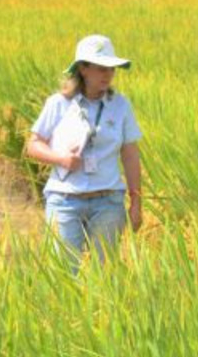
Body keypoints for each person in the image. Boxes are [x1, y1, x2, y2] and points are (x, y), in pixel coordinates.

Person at [25, 34, 143, 269]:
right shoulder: (58, 104)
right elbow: (33, 145)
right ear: (83, 69)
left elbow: (130, 155)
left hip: (108, 200)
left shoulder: (121, 105)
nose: (108, 75)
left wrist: (136, 202)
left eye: (112, 69)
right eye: (101, 68)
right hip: (64, 200)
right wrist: (61, 159)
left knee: (105, 273)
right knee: (65, 273)